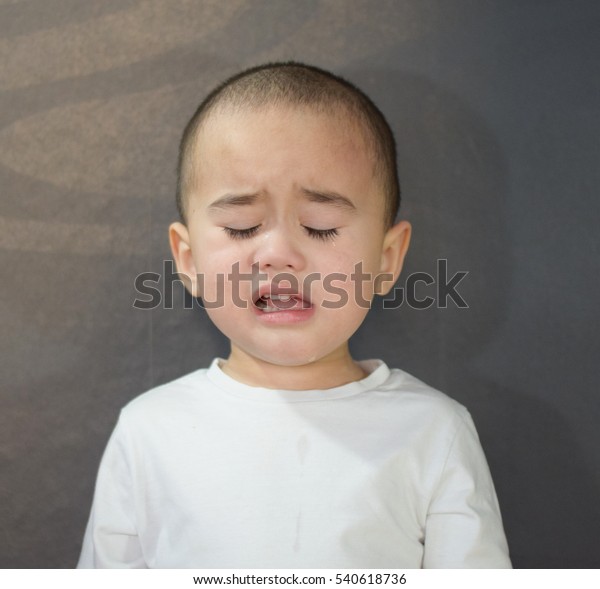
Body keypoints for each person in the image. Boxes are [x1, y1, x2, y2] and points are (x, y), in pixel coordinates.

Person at [78, 62, 511, 568]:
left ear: (387, 259)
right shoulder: (148, 432)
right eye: (241, 227)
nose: (279, 252)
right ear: (189, 260)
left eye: (322, 226)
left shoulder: (435, 433)